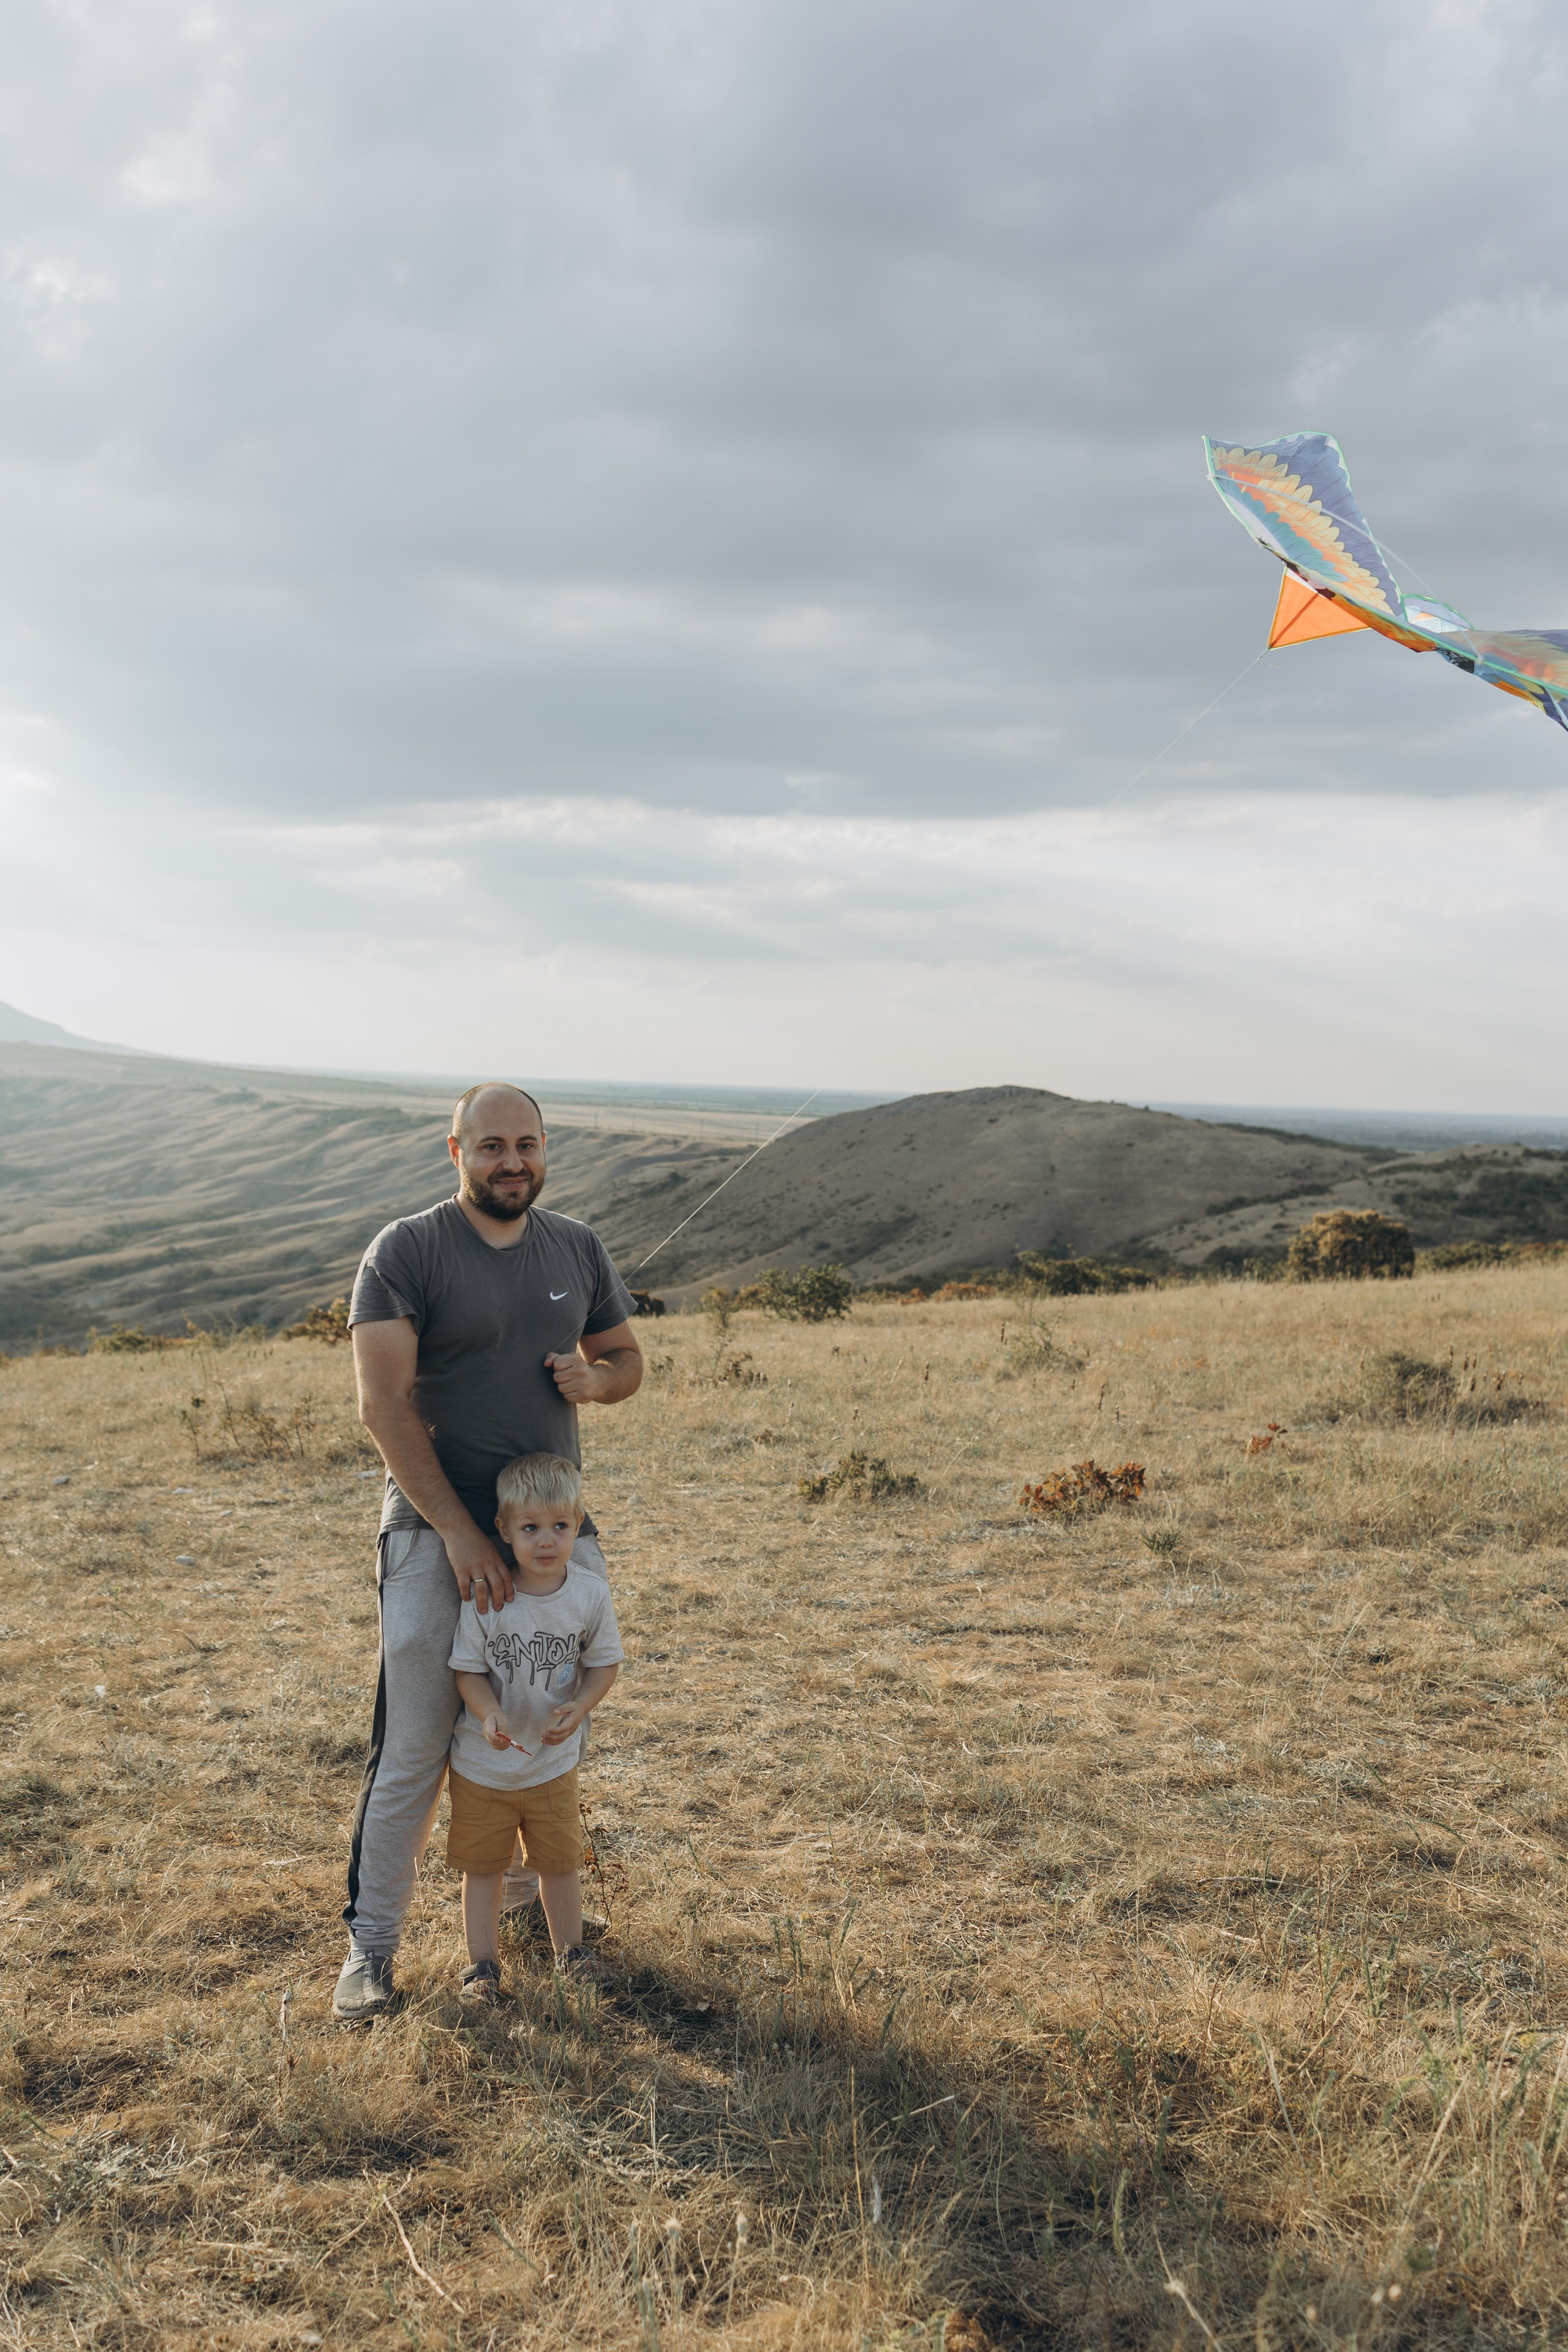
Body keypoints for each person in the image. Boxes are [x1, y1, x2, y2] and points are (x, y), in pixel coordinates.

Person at [334, 1081, 643, 2025]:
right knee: (420, 1744)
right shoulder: (406, 1251)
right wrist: (463, 1536)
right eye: (492, 1145)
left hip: (554, 1536)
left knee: (540, 1715)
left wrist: (595, 1381)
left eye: (528, 1143)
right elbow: (383, 1408)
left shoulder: (576, 1246)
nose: (513, 1161)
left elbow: (628, 1361)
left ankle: (517, 1901)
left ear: (546, 1148)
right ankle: (371, 1953)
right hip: (435, 1534)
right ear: (455, 1150)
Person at [448, 1452, 622, 2001]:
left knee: (561, 1862)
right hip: (483, 1768)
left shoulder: (589, 1593)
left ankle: (571, 1955)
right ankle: (482, 1968)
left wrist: (584, 1704)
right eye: (530, 1528)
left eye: (561, 1527)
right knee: (483, 1870)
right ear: (503, 1529)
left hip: (551, 1765)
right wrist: (487, 1714)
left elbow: (605, 1662)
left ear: (578, 1523)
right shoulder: (488, 1598)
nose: (546, 1541)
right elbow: (468, 1672)